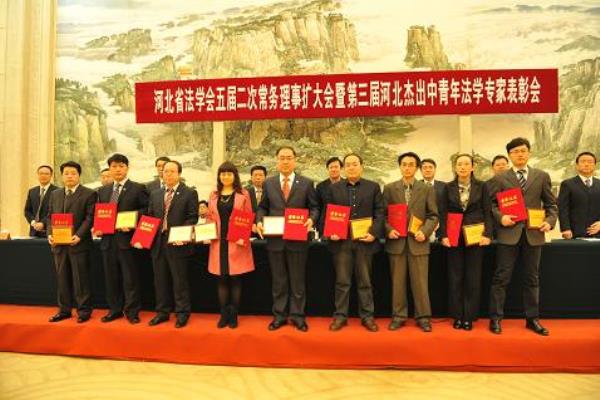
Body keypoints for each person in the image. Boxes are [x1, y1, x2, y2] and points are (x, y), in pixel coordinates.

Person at [488, 137, 557, 336]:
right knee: (501, 278)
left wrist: (549, 221)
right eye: (515, 151)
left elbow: (551, 205)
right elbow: (492, 205)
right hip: (508, 234)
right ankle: (496, 318)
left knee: (532, 278)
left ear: (529, 153)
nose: (520, 154)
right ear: (509, 155)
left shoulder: (541, 176)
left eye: (523, 150)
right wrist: (501, 218)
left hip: (534, 234)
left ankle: (532, 319)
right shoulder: (500, 178)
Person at [256, 146, 319, 332]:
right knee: (279, 281)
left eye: (289, 158)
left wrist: (311, 219)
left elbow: (314, 207)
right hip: (275, 240)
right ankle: (279, 316)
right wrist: (259, 221)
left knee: (297, 281)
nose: (285, 161)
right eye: (282, 158)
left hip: (298, 240)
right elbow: (262, 207)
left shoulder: (306, 183)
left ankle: (298, 316)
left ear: (295, 160)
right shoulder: (269, 183)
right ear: (277, 160)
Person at [326, 154, 384, 332]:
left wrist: (373, 233)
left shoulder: (373, 187)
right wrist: (330, 232)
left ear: (361, 166)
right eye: (348, 165)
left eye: (354, 164)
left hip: (365, 242)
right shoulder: (334, 188)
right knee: (342, 282)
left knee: (365, 282)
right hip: (342, 243)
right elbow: (328, 213)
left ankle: (367, 317)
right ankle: (340, 316)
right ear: (344, 168)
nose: (351, 167)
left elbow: (380, 213)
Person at [383, 152, 438, 332]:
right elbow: (382, 215)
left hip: (418, 242)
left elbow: (433, 215)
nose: (407, 168)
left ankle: (423, 317)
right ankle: (398, 316)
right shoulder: (389, 188)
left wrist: (425, 231)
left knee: (420, 283)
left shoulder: (426, 189)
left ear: (417, 168)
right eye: (404, 164)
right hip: (396, 243)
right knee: (397, 283)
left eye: (411, 165)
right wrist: (388, 230)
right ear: (400, 167)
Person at [439, 154, 493, 331]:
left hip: (475, 235)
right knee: (455, 277)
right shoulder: (447, 187)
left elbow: (487, 211)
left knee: (473, 277)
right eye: (459, 164)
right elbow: (442, 212)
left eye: (466, 164)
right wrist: (443, 235)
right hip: (453, 236)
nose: (462, 167)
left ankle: (469, 316)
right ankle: (457, 316)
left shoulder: (482, 186)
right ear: (455, 168)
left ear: (472, 167)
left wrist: (487, 234)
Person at [95, 154, 149, 324]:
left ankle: (132, 311)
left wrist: (132, 221)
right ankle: (114, 309)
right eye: (114, 166)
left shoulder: (138, 188)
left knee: (130, 278)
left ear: (127, 168)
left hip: (128, 241)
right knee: (111, 279)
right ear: (109, 169)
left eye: (121, 166)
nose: (117, 169)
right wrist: (97, 227)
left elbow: (147, 209)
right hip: (107, 242)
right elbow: (101, 213)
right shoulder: (103, 190)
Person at [146, 160, 198, 328]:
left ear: (179, 174)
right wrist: (142, 236)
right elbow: (150, 217)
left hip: (178, 243)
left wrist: (181, 234)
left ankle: (182, 313)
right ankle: (162, 312)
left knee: (179, 281)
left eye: (172, 171)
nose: (168, 174)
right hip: (158, 244)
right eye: (165, 171)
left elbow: (192, 217)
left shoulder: (189, 193)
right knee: (160, 281)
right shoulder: (155, 194)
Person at [46, 161, 97, 323]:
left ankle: (84, 310)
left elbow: (90, 217)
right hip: (59, 245)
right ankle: (64, 310)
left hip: (79, 243)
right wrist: (50, 234)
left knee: (80, 279)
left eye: (73, 173)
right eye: (66, 173)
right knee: (62, 279)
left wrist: (79, 235)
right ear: (61, 176)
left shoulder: (89, 194)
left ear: (79, 175)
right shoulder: (55, 194)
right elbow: (49, 217)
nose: (70, 176)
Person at [205, 161, 255, 329]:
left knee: (235, 279)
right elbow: (209, 217)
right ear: (219, 176)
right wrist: (206, 233)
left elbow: (248, 217)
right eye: (223, 173)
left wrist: (244, 235)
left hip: (236, 242)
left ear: (234, 176)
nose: (225, 176)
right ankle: (223, 314)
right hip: (218, 243)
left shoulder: (243, 194)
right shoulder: (213, 195)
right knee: (222, 279)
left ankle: (234, 315)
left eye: (229, 173)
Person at [558, 152, 600, 239]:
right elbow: (563, 208)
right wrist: (566, 229)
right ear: (577, 165)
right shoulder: (567, 184)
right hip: (575, 232)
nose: (586, 164)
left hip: (597, 232)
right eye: (583, 161)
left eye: (590, 162)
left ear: (595, 166)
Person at [24, 165, 59, 238]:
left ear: (51, 175)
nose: (43, 176)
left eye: (46, 174)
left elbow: (56, 211)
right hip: (34, 232)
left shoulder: (58, 192)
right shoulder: (32, 191)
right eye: (41, 173)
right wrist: (33, 222)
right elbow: (27, 210)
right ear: (38, 175)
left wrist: (43, 223)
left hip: (49, 232)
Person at [315, 156, 343, 235]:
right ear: (328, 169)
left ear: (341, 168)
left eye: (336, 167)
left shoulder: (347, 185)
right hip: (324, 225)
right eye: (331, 167)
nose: (333, 169)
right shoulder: (320, 186)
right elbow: (317, 207)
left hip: (343, 224)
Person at [420, 158, 446, 240]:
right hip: (421, 228)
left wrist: (438, 223)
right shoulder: (415, 186)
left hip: (441, 228)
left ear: (435, 170)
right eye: (425, 168)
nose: (428, 170)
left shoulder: (444, 186)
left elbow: (446, 208)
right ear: (421, 170)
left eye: (430, 167)